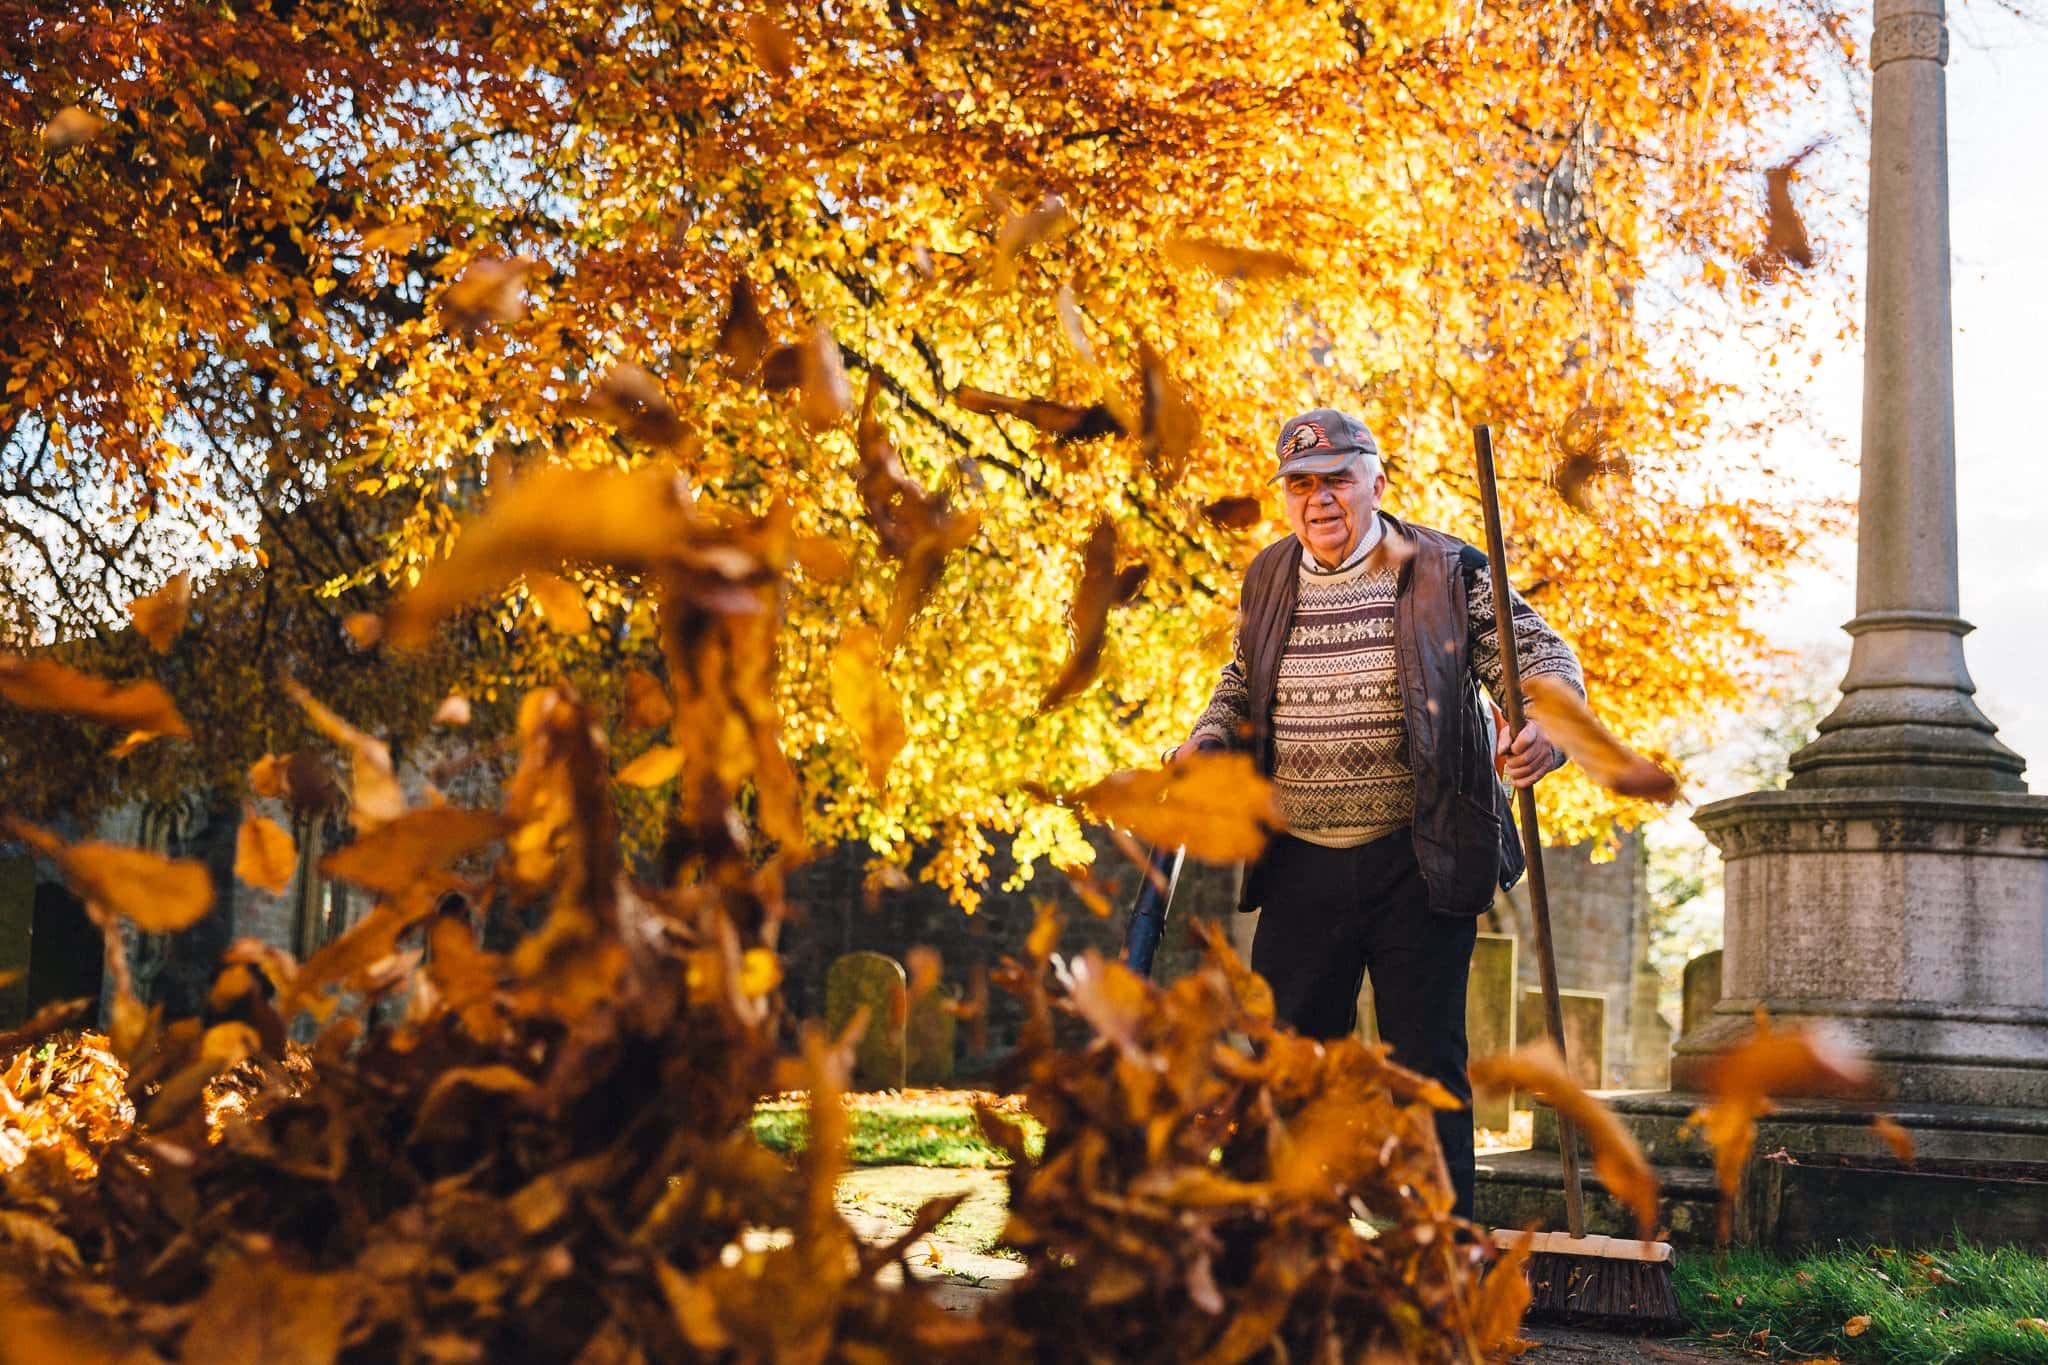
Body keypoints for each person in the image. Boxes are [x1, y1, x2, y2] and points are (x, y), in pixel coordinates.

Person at [1177, 407, 1583, 1220]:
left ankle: (1441, 1263)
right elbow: (1242, 680)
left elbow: (1536, 654)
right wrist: (1209, 735)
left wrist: (1547, 721)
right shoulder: (1267, 575)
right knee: (1288, 1067)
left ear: (1376, 481)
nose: (1318, 499)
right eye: (1300, 484)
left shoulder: (1443, 567)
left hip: (1420, 855)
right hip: (1298, 860)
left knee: (1427, 1070)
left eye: (1336, 479)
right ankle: (1301, 1264)